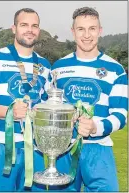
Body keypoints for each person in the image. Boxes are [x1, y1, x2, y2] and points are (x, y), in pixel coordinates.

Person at [0, 8, 81, 192]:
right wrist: (9, 112)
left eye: (34, 26)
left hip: (35, 148)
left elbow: (48, 107)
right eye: (24, 24)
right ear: (14, 28)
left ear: (38, 30)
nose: (29, 30)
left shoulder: (45, 66)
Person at [51, 7, 128, 192]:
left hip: (99, 150)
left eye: (92, 28)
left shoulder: (116, 70)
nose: (87, 35)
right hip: (64, 151)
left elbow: (121, 115)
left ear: (100, 30)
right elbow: (51, 108)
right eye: (81, 29)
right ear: (73, 31)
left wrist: (95, 127)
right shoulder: (58, 68)